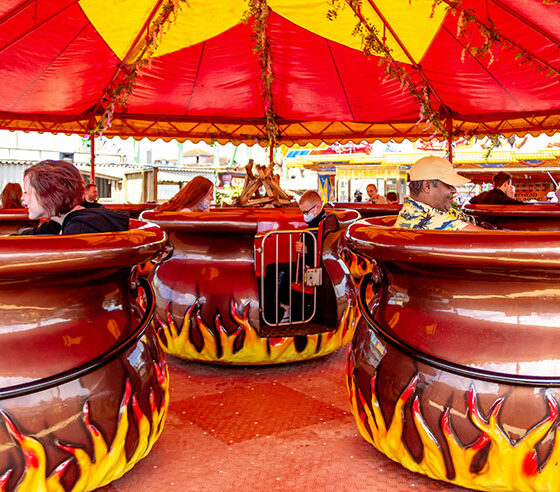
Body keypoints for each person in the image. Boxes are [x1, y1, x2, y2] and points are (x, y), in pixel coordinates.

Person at [18, 160, 129, 235]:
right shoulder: (59, 222)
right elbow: (31, 235)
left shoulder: (81, 229)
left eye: (27, 192)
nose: (23, 198)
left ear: (50, 194)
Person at [395, 155, 482, 231]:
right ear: (427, 186)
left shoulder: (427, 210)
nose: (454, 190)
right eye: (448, 185)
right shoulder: (422, 219)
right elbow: (488, 238)